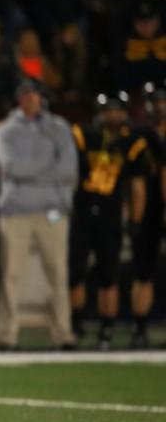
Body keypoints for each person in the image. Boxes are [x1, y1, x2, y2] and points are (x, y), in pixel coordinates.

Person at [0, 80, 78, 350]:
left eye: (34, 94)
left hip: (52, 211)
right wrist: (49, 166)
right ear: (19, 100)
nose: (30, 99)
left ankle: (63, 333)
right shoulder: (6, 129)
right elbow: (11, 167)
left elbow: (68, 171)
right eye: (25, 95)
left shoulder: (59, 127)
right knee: (11, 276)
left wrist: (36, 171)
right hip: (15, 212)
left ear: (42, 97)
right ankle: (7, 335)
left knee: (58, 275)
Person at [69, 92, 151, 349]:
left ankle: (106, 329)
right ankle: (77, 324)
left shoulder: (132, 143)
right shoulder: (85, 136)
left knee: (108, 276)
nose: (113, 115)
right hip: (82, 214)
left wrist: (136, 220)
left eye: (117, 110)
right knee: (74, 273)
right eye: (108, 110)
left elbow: (137, 186)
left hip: (110, 216)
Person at [132, 79, 166, 348]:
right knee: (143, 272)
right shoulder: (140, 135)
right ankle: (140, 327)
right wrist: (135, 216)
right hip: (151, 211)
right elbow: (135, 181)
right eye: (159, 102)